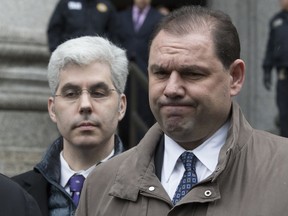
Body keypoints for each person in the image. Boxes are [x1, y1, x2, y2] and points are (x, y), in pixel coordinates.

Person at [76, 6, 288, 216]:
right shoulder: (100, 185)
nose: (172, 89)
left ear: (235, 77)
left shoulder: (281, 170)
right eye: (160, 73)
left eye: (192, 73)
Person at [13, 36, 128, 216]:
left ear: (121, 106)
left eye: (98, 93)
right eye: (70, 93)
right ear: (52, 109)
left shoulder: (152, 191)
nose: (85, 105)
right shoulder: (13, 196)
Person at [116, 0, 164, 145]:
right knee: (123, 115)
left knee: (144, 115)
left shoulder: (159, 18)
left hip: (145, 74)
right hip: (124, 74)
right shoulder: (120, 17)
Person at [47, 0, 117, 52]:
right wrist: (55, 50)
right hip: (69, 52)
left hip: (97, 54)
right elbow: (54, 28)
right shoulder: (66, 3)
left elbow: (114, 32)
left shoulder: (107, 5)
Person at [262, 0, 288, 138]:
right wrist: (267, 70)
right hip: (283, 76)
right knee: (284, 113)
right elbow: (270, 48)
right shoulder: (276, 21)